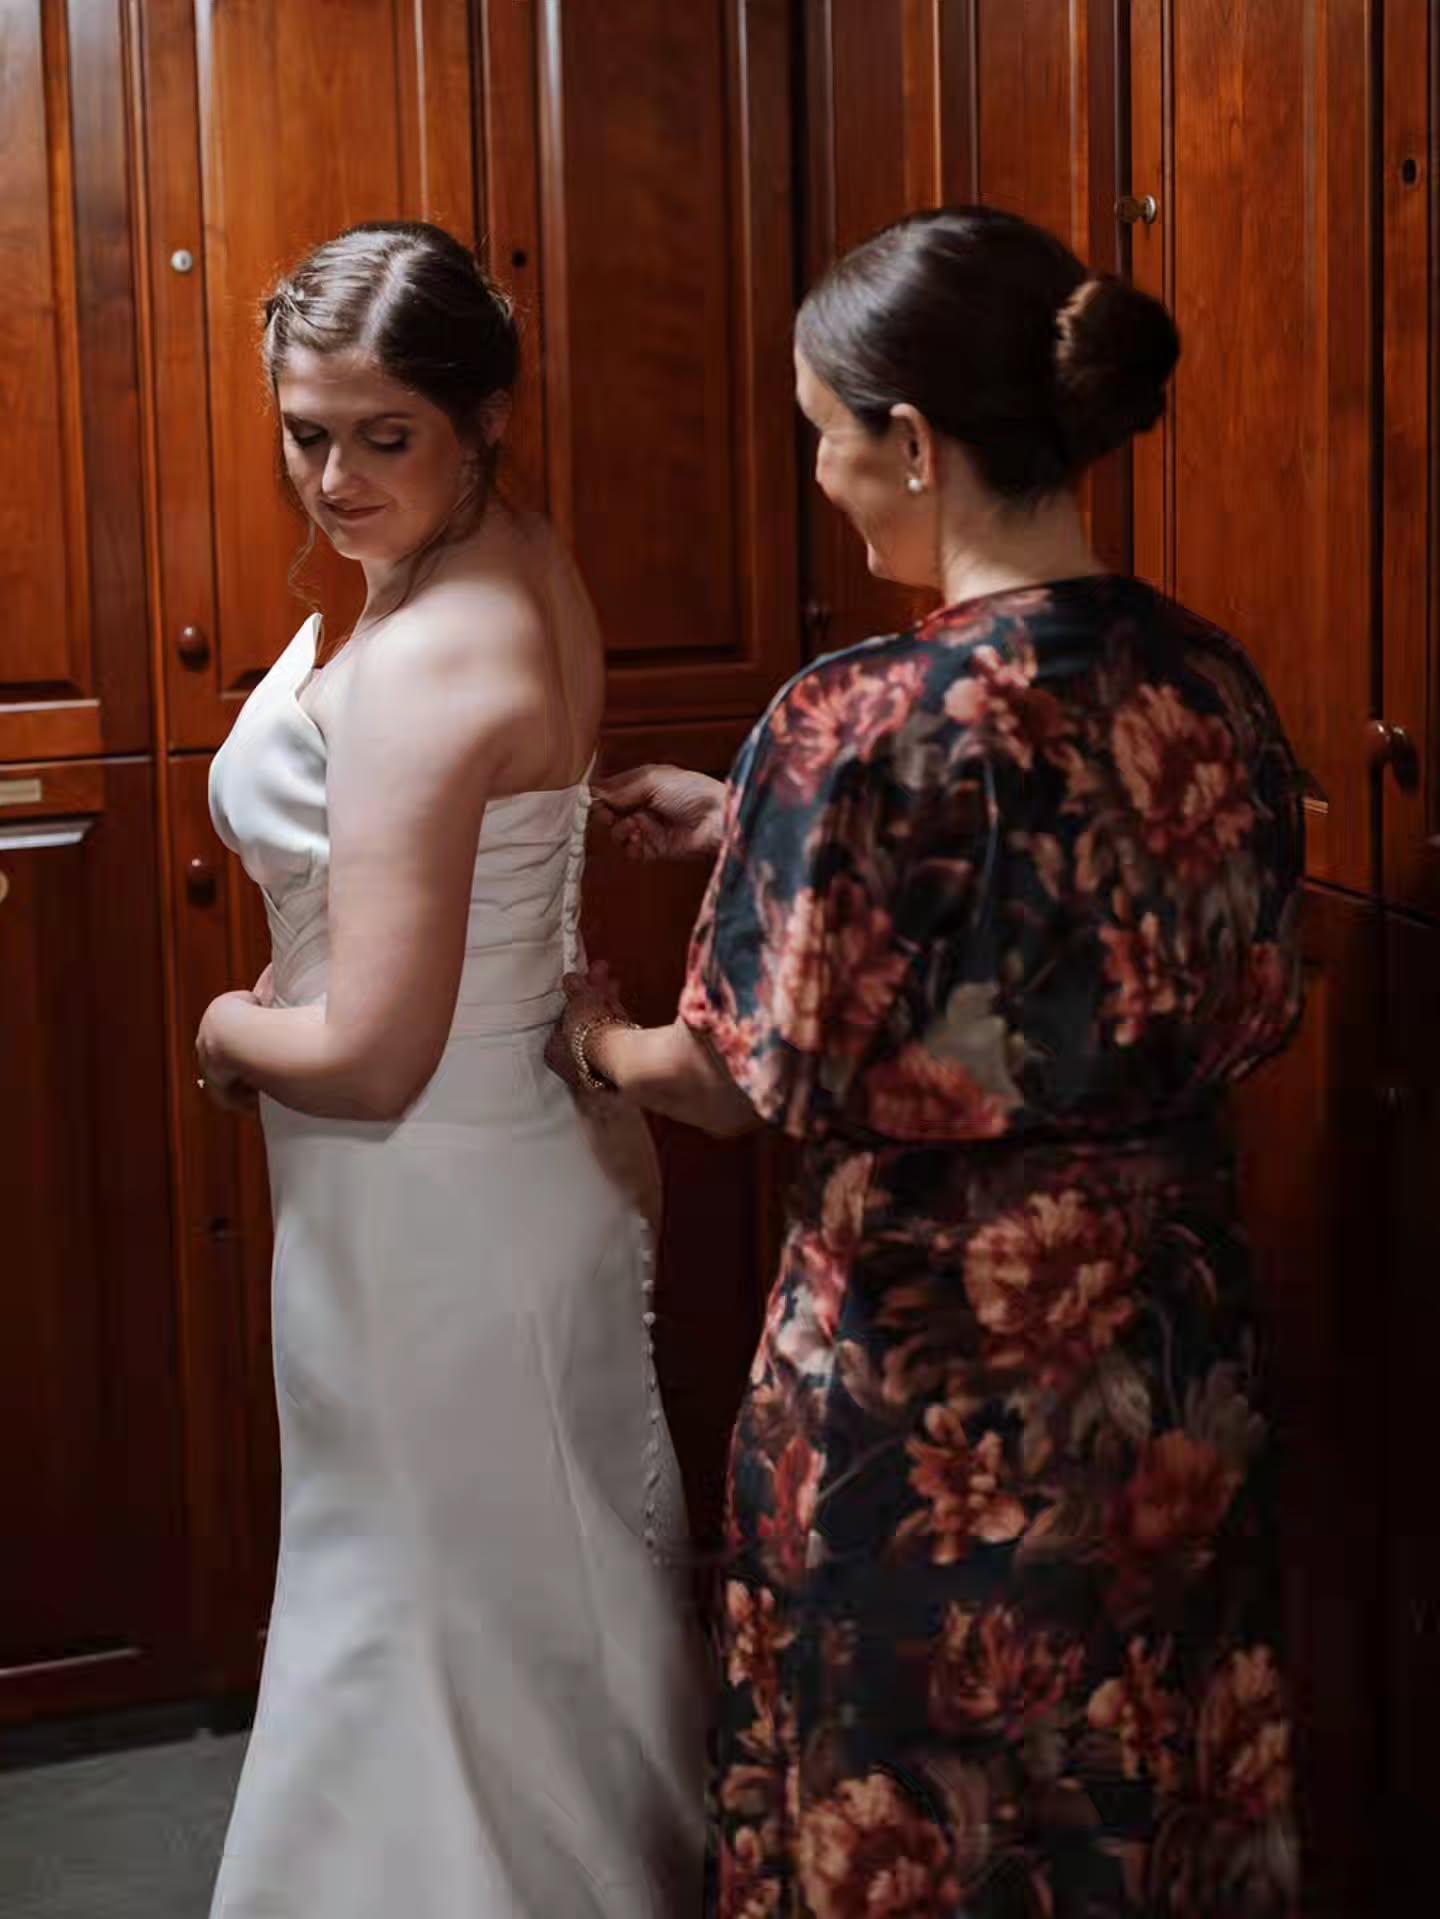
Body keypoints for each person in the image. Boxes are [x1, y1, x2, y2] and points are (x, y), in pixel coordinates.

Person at [553, 206, 1304, 1917]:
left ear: (909, 442)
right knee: (1140, 1773)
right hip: (1168, 1366)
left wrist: (595, 1040)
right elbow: (1085, 897)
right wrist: (755, 821)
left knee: (916, 1803)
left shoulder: (855, 720)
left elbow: (731, 1077)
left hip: (930, 1382)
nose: (821, 476)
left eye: (824, 436)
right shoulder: (1208, 676)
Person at [198, 221, 702, 1917]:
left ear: (485, 416)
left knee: (426, 1621)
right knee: (495, 1617)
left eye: (384, 435)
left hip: (427, 1208)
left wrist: (222, 1033)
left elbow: (368, 1055)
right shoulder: (512, 556)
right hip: (492, 1176)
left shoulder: (432, 652)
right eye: (305, 434)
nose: (335, 478)